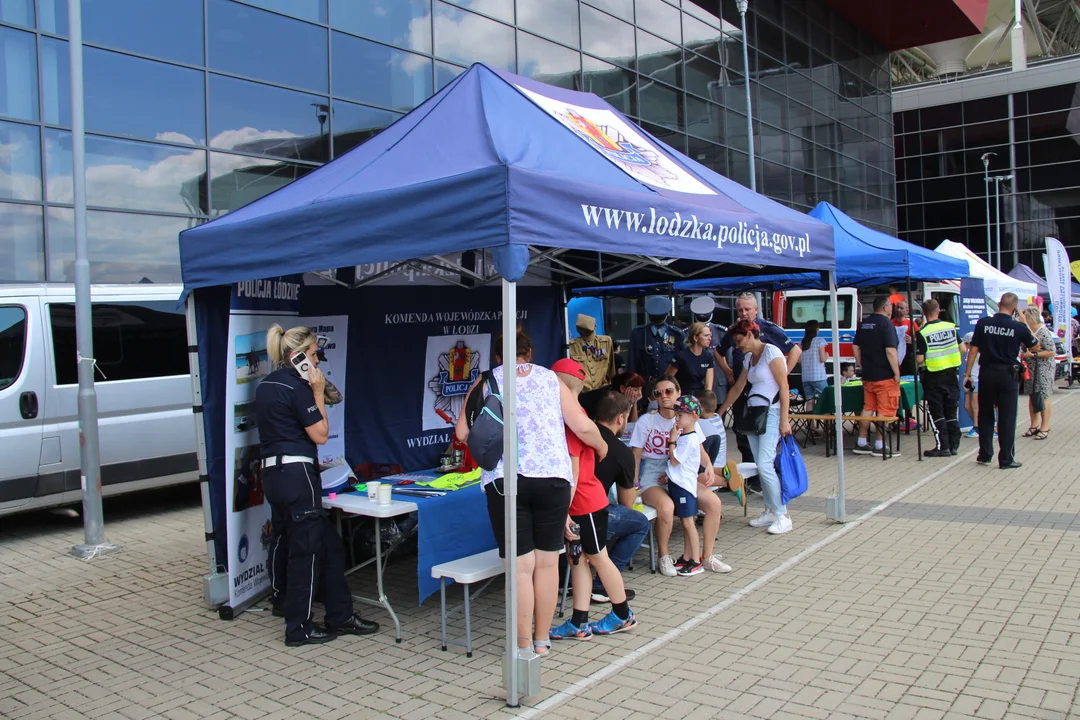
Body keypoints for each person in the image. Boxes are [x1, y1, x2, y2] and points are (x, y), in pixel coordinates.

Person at [462, 331, 608, 657]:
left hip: (504, 481)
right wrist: (602, 446)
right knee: (546, 564)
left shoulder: (485, 382)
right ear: (529, 351)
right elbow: (582, 427)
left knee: (519, 567)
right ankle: (542, 641)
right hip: (552, 479)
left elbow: (462, 432)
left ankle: (522, 645)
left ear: (497, 356)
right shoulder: (549, 379)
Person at [256, 324, 378, 646]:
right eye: (313, 355)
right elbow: (321, 434)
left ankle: (338, 613)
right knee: (306, 551)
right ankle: (299, 627)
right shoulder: (298, 388)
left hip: (273, 475)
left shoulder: (266, 384)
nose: (318, 362)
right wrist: (316, 392)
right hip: (298, 475)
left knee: (326, 544)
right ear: (298, 358)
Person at [549, 359, 637, 641]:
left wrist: (563, 513)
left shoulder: (573, 418)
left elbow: (572, 475)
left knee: (598, 558)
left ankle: (623, 614)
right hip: (580, 505)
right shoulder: (572, 414)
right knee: (579, 561)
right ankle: (578, 622)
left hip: (585, 505)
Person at [630, 376, 723, 576]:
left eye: (669, 391)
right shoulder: (647, 420)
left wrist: (707, 466)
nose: (664, 396)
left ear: (679, 392)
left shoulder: (688, 417)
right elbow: (636, 455)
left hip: (681, 473)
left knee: (714, 503)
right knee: (666, 507)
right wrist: (635, 482)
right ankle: (664, 556)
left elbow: (699, 449)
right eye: (658, 393)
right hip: (654, 471)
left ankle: (706, 557)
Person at [719, 320, 793, 535]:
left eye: (739, 340)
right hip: (754, 415)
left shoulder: (772, 352)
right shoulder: (750, 359)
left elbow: (784, 386)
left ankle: (782, 514)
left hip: (770, 412)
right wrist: (720, 412)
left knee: (765, 463)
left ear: (751, 334)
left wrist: (784, 419)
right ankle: (771, 510)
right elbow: (739, 386)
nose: (737, 345)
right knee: (761, 464)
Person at [717, 292, 800, 468]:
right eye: (740, 309)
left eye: (747, 309)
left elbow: (795, 351)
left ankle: (766, 475)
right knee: (743, 434)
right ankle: (751, 477)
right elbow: (718, 351)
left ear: (756, 310)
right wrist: (728, 371)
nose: (743, 313)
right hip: (744, 390)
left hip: (766, 395)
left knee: (766, 442)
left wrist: (781, 377)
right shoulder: (735, 330)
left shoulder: (768, 329)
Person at [964, 293, 1037, 469]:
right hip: (1008, 375)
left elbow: (973, 350)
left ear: (998, 304)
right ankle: (1005, 459)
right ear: (1014, 309)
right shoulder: (1018, 327)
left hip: (987, 373)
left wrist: (967, 374)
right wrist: (1024, 322)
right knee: (1007, 416)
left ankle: (985, 454)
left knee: (985, 414)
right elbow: (1035, 346)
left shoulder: (983, 323)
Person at [590, 391, 650, 604]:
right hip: (590, 513)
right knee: (641, 523)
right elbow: (626, 503)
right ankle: (604, 583)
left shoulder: (579, 434)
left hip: (560, 510)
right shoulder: (622, 452)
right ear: (620, 418)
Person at [852, 296, 901, 457]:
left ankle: (861, 442)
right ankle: (879, 445)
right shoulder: (886, 324)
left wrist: (862, 365)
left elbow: (855, 347)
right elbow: (891, 351)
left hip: (868, 375)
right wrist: (896, 373)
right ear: (886, 307)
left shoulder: (864, 323)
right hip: (884, 375)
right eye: (891, 306)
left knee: (868, 407)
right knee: (884, 409)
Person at [916, 299, 963, 458]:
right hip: (951, 374)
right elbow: (962, 348)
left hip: (934, 376)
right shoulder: (950, 327)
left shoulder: (923, 332)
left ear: (924, 313)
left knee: (938, 412)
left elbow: (920, 359)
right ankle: (954, 444)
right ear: (938, 311)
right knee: (951, 411)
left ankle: (943, 446)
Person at [1021, 306, 1055, 441]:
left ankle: (1044, 426)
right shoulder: (1029, 331)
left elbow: (1051, 351)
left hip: (1043, 368)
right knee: (1032, 395)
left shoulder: (1043, 332)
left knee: (1044, 395)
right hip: (1031, 369)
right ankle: (1034, 425)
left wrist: (1033, 355)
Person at [666, 322, 716, 396]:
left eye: (710, 335)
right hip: (682, 395)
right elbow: (668, 378)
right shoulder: (681, 356)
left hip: (700, 397)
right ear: (696, 338)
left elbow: (708, 385)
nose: (710, 338)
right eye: (706, 335)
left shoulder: (708, 356)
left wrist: (706, 400)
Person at [578, 370, 644, 422]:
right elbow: (620, 425)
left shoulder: (628, 398)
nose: (640, 394)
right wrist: (629, 404)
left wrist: (634, 403)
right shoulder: (610, 399)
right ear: (623, 389)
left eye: (641, 389)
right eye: (636, 390)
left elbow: (633, 424)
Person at [799, 319, 829, 402]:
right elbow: (822, 359)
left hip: (805, 377)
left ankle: (810, 414)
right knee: (825, 399)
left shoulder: (802, 342)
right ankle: (824, 415)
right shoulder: (820, 341)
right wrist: (826, 355)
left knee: (810, 401)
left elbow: (799, 361)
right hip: (818, 376)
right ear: (816, 329)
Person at [961, 332, 981, 438]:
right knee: (967, 405)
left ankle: (977, 427)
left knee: (975, 405)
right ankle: (979, 426)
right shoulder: (969, 352)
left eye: (966, 343)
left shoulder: (978, 352)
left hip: (977, 379)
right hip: (970, 379)